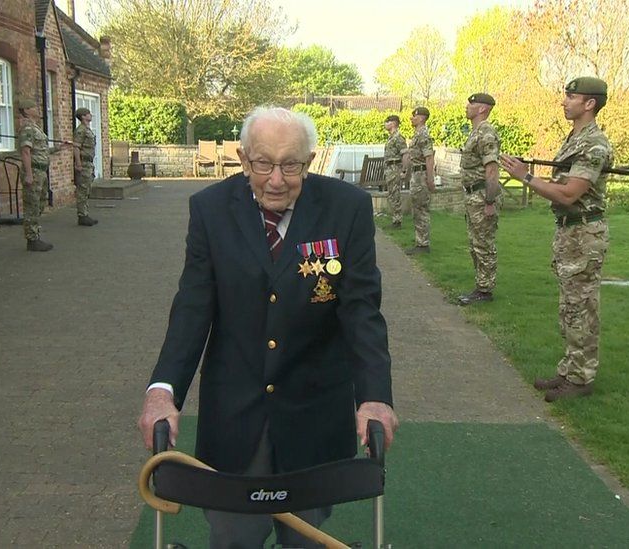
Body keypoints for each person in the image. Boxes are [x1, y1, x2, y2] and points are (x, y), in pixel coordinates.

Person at [137, 106, 398, 548]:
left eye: (290, 165)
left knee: (306, 539)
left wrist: (374, 396)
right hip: (235, 416)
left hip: (315, 413)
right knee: (233, 537)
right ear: (243, 159)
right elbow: (193, 307)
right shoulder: (210, 210)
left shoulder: (347, 208)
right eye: (263, 164)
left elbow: (361, 310)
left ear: (309, 162)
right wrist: (163, 391)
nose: (276, 179)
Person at [500, 77, 613, 402]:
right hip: (568, 231)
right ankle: (569, 369)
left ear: (589, 103)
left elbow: (568, 193)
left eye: (571, 96)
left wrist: (526, 177)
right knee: (569, 307)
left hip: (584, 233)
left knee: (582, 307)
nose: (564, 101)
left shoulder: (595, 144)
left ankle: (581, 379)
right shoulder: (574, 139)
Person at [457, 93, 501, 305]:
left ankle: (485, 291)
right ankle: (480, 286)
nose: (467, 106)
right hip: (473, 195)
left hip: (482, 195)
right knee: (475, 244)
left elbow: (491, 169)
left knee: (484, 244)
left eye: (471, 103)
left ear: (482, 108)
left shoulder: (486, 133)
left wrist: (490, 202)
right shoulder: (476, 132)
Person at [15, 97, 71, 251]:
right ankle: (32, 239)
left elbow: (41, 150)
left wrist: (58, 148)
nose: (37, 109)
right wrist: (28, 174)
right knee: (32, 205)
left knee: (39, 203)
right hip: (33, 171)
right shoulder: (27, 129)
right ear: (26, 110)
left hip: (41, 171)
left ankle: (34, 233)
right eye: (34, 107)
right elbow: (26, 152)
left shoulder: (35, 128)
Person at [403, 106, 436, 255]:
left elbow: (429, 158)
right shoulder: (417, 134)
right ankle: (420, 241)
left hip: (422, 176)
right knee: (417, 209)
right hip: (416, 176)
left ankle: (423, 245)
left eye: (414, 116)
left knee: (421, 209)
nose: (411, 118)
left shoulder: (423, 135)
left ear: (422, 118)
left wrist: (430, 179)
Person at [72, 107, 98, 227]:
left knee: (86, 189)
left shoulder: (87, 129)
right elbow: (76, 147)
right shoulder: (80, 130)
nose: (90, 115)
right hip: (83, 162)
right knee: (82, 189)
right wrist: (78, 163)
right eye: (88, 113)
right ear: (83, 116)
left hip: (89, 162)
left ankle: (85, 213)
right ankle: (82, 215)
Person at [383, 114, 406, 228]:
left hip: (395, 168)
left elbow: (405, 154)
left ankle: (397, 221)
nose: (385, 124)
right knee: (392, 194)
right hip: (390, 169)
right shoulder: (391, 137)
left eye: (387, 122)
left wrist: (404, 171)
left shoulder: (398, 138)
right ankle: (395, 219)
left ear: (393, 123)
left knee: (395, 194)